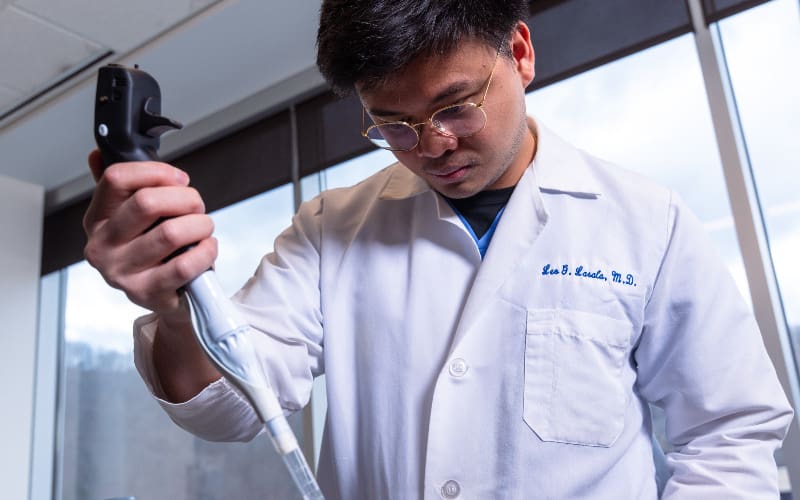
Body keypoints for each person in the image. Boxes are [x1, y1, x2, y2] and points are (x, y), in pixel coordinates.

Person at [83, 0, 793, 498]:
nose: (433, 145)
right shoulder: (331, 228)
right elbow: (236, 409)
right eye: (393, 124)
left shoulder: (645, 221)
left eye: (456, 106)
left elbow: (729, 430)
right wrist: (174, 309)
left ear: (520, 53)